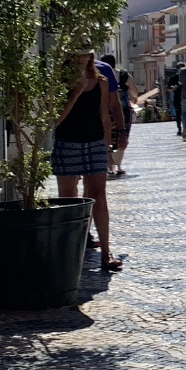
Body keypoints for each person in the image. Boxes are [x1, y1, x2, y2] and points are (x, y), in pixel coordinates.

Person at [53, 50, 123, 271]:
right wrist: (76, 91)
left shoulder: (101, 82)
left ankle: (106, 251)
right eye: (78, 56)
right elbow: (56, 119)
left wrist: (108, 146)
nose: (83, 60)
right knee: (68, 198)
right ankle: (70, 249)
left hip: (94, 143)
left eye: (87, 56)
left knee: (99, 195)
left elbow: (104, 115)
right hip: (67, 143)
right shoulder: (60, 84)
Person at [110, 68, 134, 177]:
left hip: (107, 106)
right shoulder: (124, 75)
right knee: (124, 133)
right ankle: (119, 166)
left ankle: (110, 165)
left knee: (109, 133)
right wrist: (135, 96)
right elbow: (134, 90)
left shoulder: (101, 73)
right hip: (123, 105)